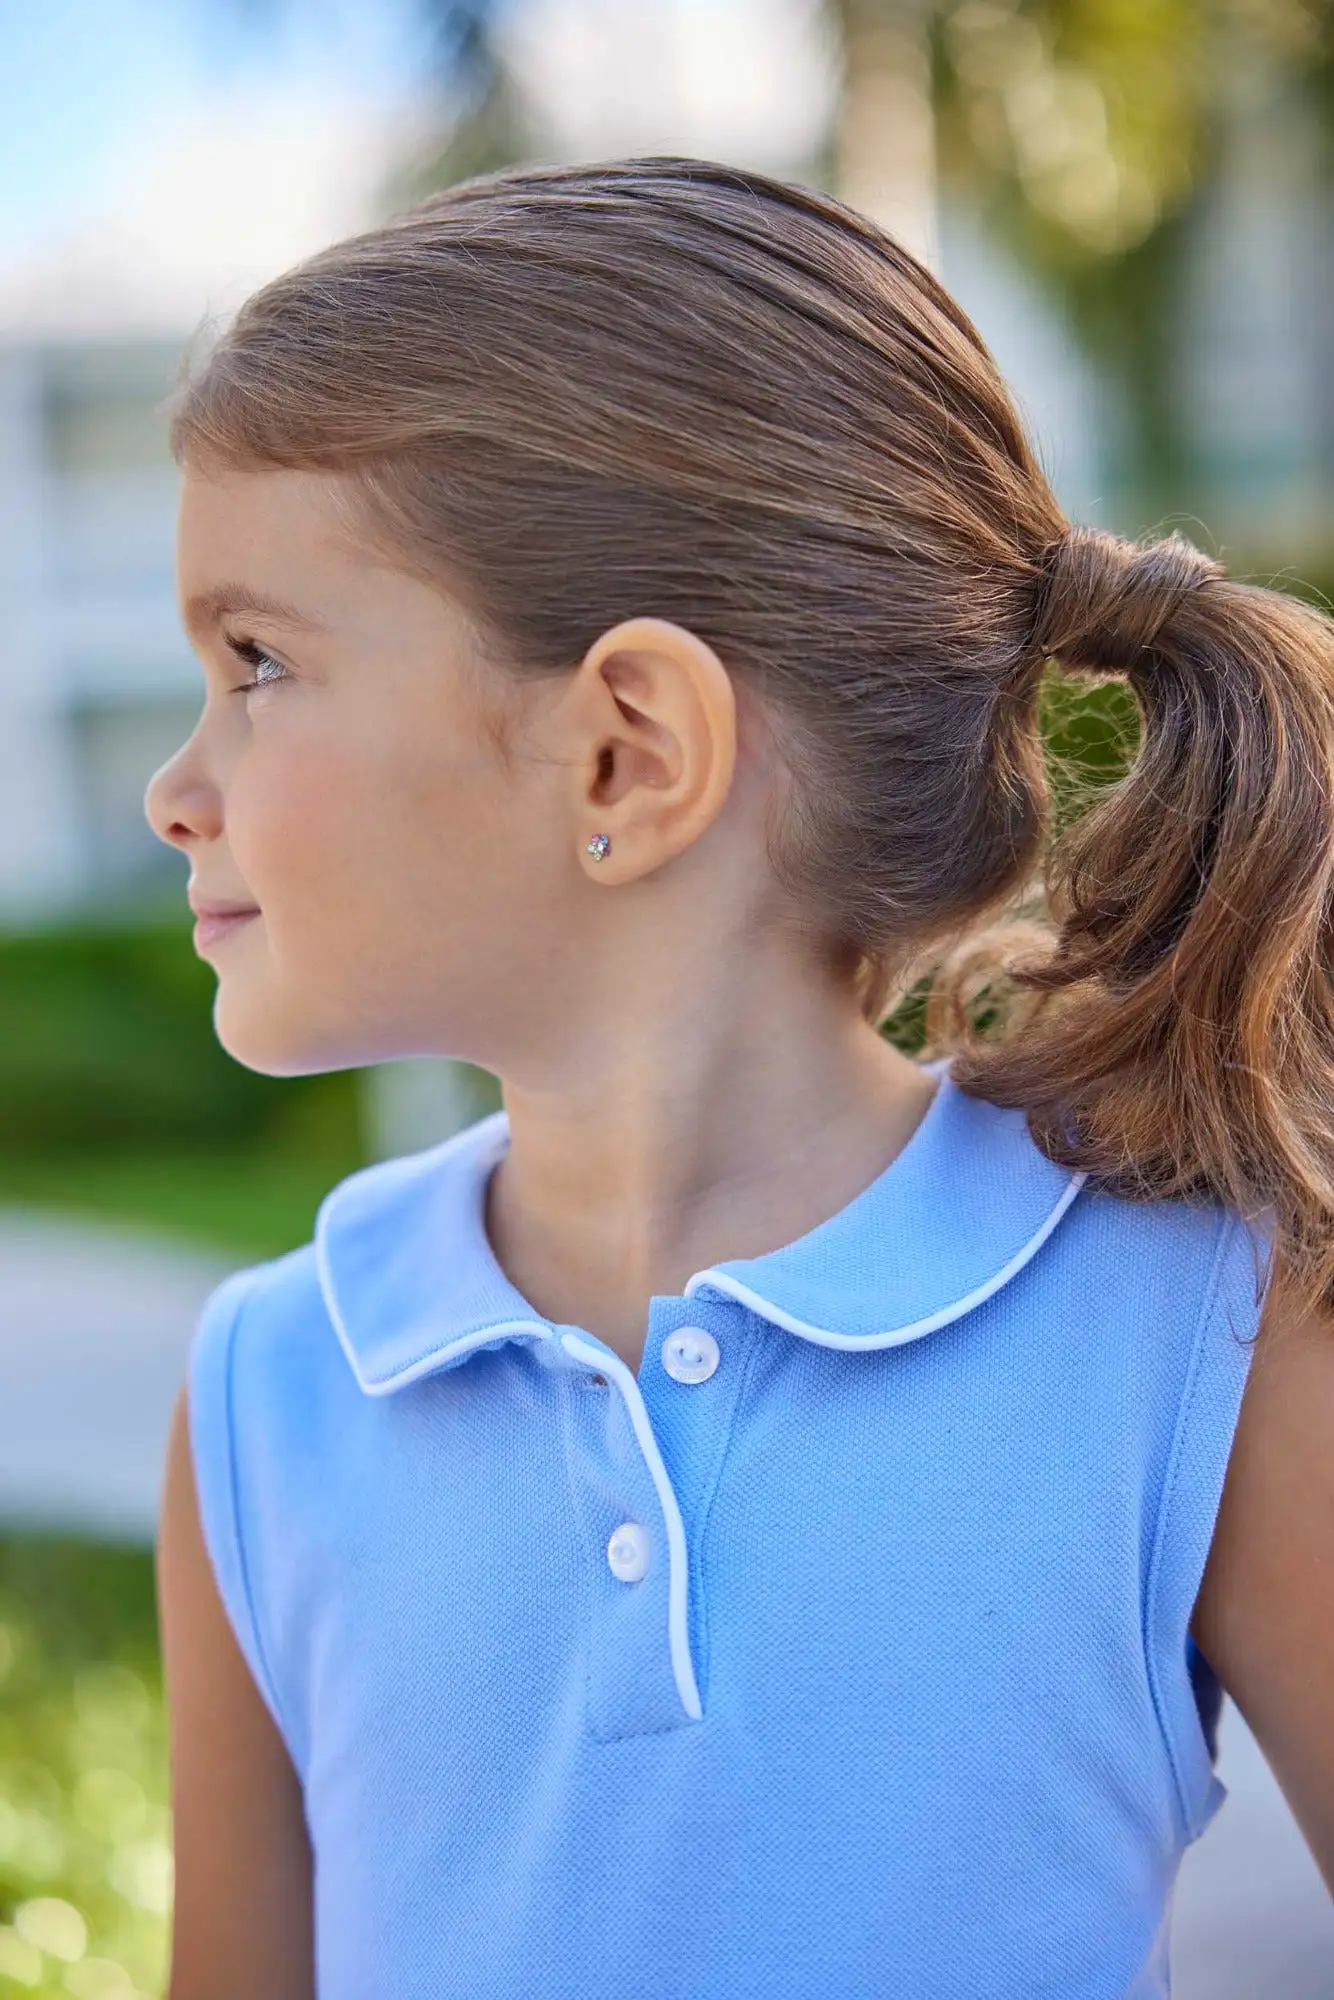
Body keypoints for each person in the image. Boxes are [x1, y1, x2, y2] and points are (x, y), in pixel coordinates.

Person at [144, 156, 1334, 2000]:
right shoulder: (265, 1396)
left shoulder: (1199, 1330)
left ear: (625, 752)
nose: (177, 784)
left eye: (254, 662)